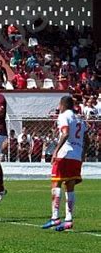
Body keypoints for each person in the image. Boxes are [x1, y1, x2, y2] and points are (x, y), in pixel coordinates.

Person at [42, 96, 89, 232]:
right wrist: (82, 153)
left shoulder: (63, 116)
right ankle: (68, 220)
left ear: (62, 105)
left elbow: (65, 133)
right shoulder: (80, 118)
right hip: (76, 156)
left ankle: (55, 217)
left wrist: (56, 151)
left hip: (65, 154)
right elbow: (87, 139)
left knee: (55, 183)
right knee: (70, 186)